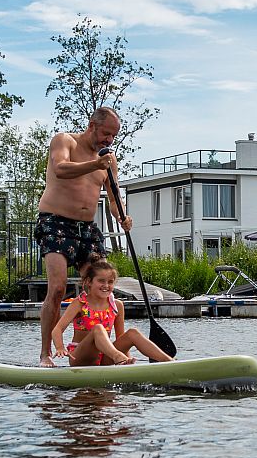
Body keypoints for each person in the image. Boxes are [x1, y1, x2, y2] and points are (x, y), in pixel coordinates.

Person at [34, 107, 131, 366]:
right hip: (55, 223)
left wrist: (122, 216)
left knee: (100, 289)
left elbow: (113, 198)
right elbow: (61, 169)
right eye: (106, 133)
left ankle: (92, 351)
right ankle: (46, 354)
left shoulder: (109, 160)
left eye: (113, 136)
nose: (109, 140)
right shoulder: (65, 141)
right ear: (92, 126)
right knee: (57, 288)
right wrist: (95, 164)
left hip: (87, 229)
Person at [51, 255, 172, 366]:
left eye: (110, 282)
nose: (106, 285)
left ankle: (169, 362)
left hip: (106, 356)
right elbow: (57, 330)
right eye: (101, 281)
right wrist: (60, 347)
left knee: (132, 333)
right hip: (80, 357)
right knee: (98, 328)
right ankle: (118, 357)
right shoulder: (79, 303)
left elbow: (121, 339)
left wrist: (127, 359)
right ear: (88, 282)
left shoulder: (117, 305)